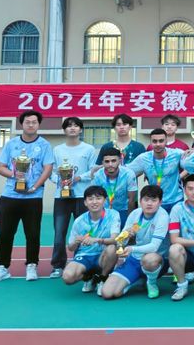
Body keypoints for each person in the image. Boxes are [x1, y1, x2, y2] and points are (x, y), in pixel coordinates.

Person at [0, 110, 55, 283]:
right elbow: (0, 168)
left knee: (32, 234)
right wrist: (14, 174)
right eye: (27, 122)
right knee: (5, 234)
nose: (31, 125)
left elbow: (47, 169)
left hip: (33, 197)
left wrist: (34, 187)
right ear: (22, 124)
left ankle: (32, 265)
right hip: (10, 195)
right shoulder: (11, 144)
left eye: (34, 122)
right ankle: (2, 267)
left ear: (38, 124)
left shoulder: (45, 145)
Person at [102, 185, 170, 300]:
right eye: (146, 200)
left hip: (156, 261)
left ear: (160, 202)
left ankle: (151, 282)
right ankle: (137, 279)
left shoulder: (163, 217)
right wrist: (126, 236)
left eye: (154, 200)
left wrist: (132, 248)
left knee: (150, 259)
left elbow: (154, 247)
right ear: (140, 201)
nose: (149, 203)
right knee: (107, 293)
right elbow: (120, 243)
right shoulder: (135, 214)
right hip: (134, 260)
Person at [50, 117, 96, 278]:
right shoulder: (57, 150)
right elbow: (51, 171)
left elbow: (92, 171)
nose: (73, 128)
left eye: (76, 126)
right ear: (64, 130)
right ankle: (58, 265)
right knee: (59, 233)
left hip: (82, 197)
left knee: (83, 232)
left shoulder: (89, 149)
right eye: (69, 126)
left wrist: (78, 178)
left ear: (81, 130)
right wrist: (60, 181)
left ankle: (81, 262)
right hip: (61, 197)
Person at [61, 186, 121, 296]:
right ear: (85, 202)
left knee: (112, 248)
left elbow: (115, 239)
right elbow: (70, 248)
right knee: (67, 277)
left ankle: (102, 278)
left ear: (104, 200)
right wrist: (76, 241)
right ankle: (88, 277)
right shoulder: (79, 221)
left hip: (103, 255)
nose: (94, 202)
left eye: (98, 198)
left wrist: (97, 240)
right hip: (85, 255)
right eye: (90, 199)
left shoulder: (113, 215)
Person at [126, 128, 185, 213]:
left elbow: (193, 162)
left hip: (176, 201)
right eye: (154, 141)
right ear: (150, 142)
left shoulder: (177, 154)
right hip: (155, 202)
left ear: (166, 141)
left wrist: (192, 152)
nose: (158, 144)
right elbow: (126, 172)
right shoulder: (143, 158)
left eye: (161, 141)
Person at [91, 147, 138, 226]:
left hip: (124, 210)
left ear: (119, 160)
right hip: (104, 211)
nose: (110, 164)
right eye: (107, 161)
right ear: (102, 162)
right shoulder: (98, 175)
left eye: (113, 161)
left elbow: (131, 199)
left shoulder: (129, 174)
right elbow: (95, 197)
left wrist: (129, 220)